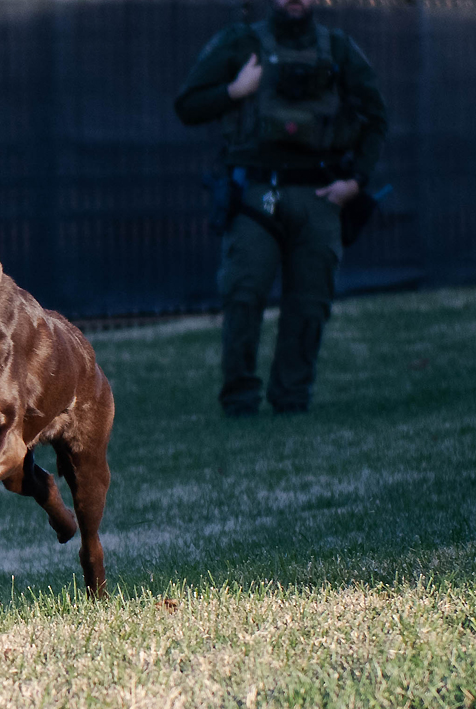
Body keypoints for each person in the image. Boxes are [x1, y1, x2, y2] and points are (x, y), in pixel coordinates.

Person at [175, 0, 388, 416]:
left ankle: (293, 400)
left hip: (321, 195)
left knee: (310, 304)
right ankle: (240, 401)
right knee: (243, 296)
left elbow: (376, 117)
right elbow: (187, 104)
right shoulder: (242, 42)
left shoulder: (339, 49)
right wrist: (234, 91)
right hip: (257, 194)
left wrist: (356, 182)